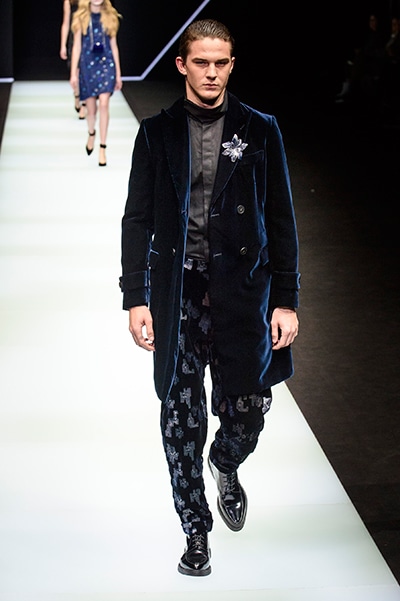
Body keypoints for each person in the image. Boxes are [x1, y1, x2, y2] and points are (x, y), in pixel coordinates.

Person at [119, 19, 300, 577]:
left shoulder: (260, 129)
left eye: (222, 63)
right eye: (202, 62)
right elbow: (137, 218)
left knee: (247, 413)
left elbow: (281, 217)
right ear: (182, 65)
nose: (213, 73)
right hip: (179, 291)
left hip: (242, 292)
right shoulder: (157, 134)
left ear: (231, 65)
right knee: (180, 418)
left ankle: (225, 461)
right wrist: (136, 296)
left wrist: (286, 299)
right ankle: (195, 530)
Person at [69, 0, 122, 167]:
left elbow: (114, 46)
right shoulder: (81, 17)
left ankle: (102, 148)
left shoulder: (110, 16)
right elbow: (77, 47)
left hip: (107, 65)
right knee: (91, 110)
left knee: (104, 104)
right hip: (87, 66)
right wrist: (73, 73)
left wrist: (118, 74)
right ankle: (91, 133)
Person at [60, 0, 86, 119]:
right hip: (74, 39)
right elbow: (66, 23)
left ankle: (84, 104)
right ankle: (77, 96)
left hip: (88, 38)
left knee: (85, 72)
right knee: (75, 71)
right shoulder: (69, 1)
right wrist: (63, 45)